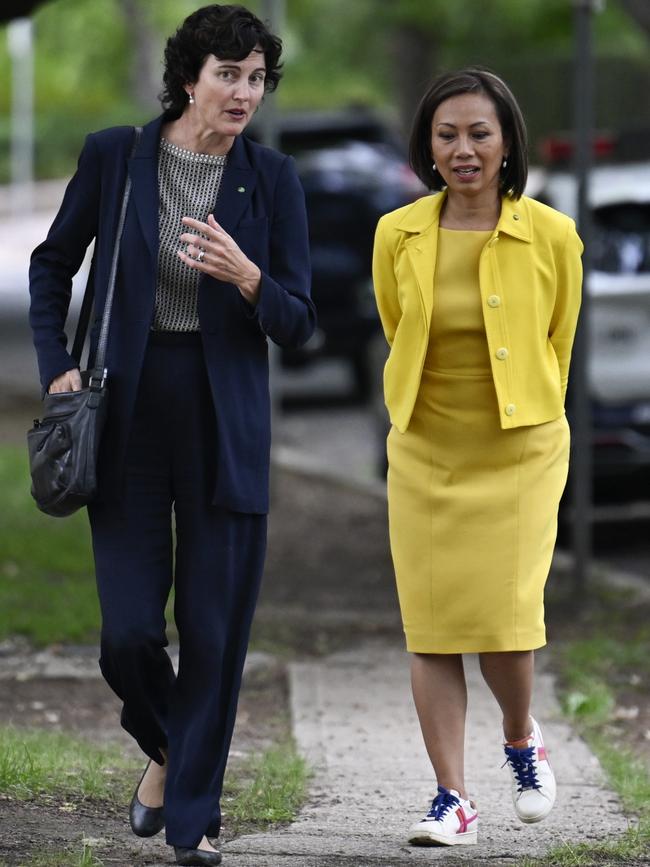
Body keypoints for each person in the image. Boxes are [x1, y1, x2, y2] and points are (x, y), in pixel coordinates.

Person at [29, 5, 315, 865]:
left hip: (224, 416)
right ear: (189, 77)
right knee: (129, 633)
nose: (243, 91)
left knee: (215, 627)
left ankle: (191, 823)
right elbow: (52, 265)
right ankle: (169, 749)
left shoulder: (273, 180)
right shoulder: (117, 157)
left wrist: (249, 276)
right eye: (227, 73)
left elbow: (300, 322)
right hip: (126, 406)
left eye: (257, 77)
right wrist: (57, 362)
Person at [372, 68, 582, 847]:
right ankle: (451, 797)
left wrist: (527, 410)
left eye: (479, 133)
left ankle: (522, 738)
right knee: (430, 627)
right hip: (426, 450)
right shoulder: (397, 231)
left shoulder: (553, 235)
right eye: (447, 134)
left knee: (505, 620)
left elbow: (558, 339)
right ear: (427, 147)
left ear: (506, 143)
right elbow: (398, 327)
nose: (463, 149)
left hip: (520, 452)